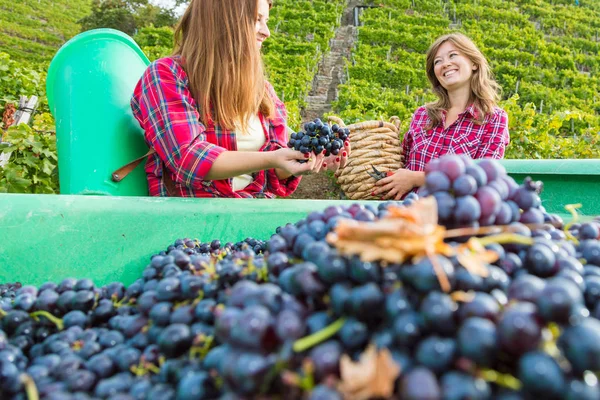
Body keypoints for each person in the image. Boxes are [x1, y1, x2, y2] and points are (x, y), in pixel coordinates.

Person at [130, 0, 350, 198]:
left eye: (267, 21)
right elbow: (189, 158)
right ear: (225, 22)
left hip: (250, 214)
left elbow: (275, 169)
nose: (266, 32)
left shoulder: (262, 90)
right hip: (192, 225)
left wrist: (306, 161)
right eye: (257, 20)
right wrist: (271, 159)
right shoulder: (166, 75)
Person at [373, 33, 509, 200]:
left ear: (474, 63)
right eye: (438, 61)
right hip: (408, 215)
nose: (445, 64)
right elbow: (401, 162)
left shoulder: (494, 119)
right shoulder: (422, 115)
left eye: (453, 55)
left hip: (454, 218)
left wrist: (416, 178)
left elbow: (481, 178)